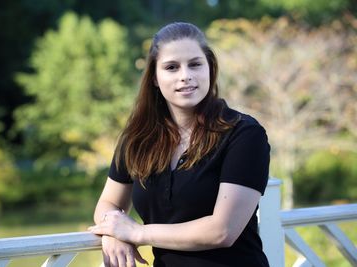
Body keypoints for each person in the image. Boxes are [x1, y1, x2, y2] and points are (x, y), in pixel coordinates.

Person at [89, 22, 270, 267]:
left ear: (210, 69)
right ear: (154, 77)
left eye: (195, 64)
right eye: (172, 67)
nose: (185, 75)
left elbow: (222, 231)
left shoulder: (244, 134)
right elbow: (109, 203)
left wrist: (136, 233)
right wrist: (111, 232)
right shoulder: (137, 138)